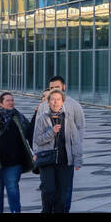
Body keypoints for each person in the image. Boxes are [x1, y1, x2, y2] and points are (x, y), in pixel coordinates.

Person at [29, 75, 84, 210]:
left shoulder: (74, 106)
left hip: (65, 157)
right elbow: (37, 133)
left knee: (64, 192)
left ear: (63, 87)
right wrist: (36, 152)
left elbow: (79, 131)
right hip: (47, 156)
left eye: (57, 88)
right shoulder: (43, 108)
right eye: (51, 88)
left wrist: (77, 156)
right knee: (48, 190)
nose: (53, 91)